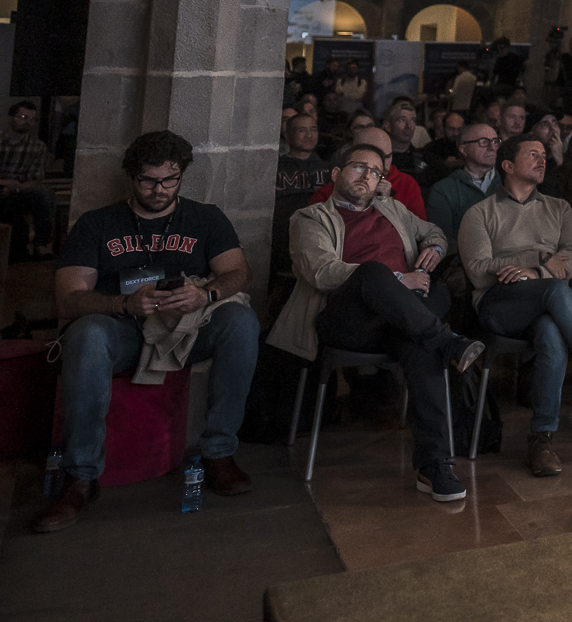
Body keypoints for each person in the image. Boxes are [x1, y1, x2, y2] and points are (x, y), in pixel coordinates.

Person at [38, 131, 260, 531]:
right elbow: (68, 299)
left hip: (186, 330)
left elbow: (239, 273)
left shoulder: (205, 218)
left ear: (181, 176)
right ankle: (80, 477)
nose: (159, 190)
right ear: (131, 177)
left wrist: (205, 294)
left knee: (241, 322)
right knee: (87, 335)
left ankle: (219, 453)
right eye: (148, 181)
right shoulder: (97, 223)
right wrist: (122, 304)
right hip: (122, 330)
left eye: (170, 180)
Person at [269, 144, 484, 501]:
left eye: (375, 172)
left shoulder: (393, 209)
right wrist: (397, 279)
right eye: (359, 167)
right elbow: (321, 271)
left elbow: (434, 231)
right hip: (346, 320)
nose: (367, 176)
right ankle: (448, 341)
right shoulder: (310, 218)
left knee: (423, 342)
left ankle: (434, 465)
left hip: (399, 320)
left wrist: (433, 248)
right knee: (373, 273)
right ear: (336, 174)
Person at [457, 132, 572, 475]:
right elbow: (478, 271)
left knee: (551, 333)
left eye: (544, 155)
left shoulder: (559, 208)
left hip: (544, 302)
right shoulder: (480, 213)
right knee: (557, 291)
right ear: (507, 165)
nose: (542, 159)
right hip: (499, 304)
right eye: (532, 154)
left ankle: (541, 439)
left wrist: (533, 270)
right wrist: (541, 260)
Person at [426, 121, 502, 242]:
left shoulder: (510, 182)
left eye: (495, 141)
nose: (492, 148)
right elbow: (443, 239)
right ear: (463, 150)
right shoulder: (443, 190)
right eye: (484, 142)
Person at [1, 101, 57, 258]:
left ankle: (41, 244)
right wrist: (5, 184)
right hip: (2, 184)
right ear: (11, 118)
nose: (28, 122)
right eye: (24, 117)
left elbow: (35, 179)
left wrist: (14, 187)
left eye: (32, 119)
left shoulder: (37, 146)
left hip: (20, 189)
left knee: (44, 193)